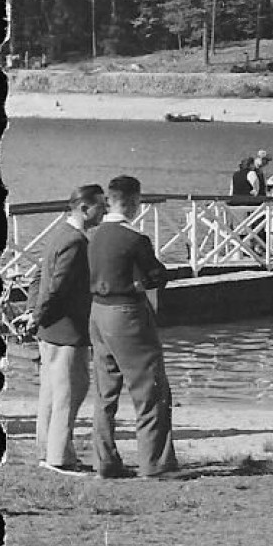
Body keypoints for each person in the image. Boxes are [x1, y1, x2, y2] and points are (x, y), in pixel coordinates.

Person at [12, 184, 107, 474]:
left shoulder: (58, 234)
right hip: (67, 331)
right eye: (100, 207)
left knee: (51, 395)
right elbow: (58, 288)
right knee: (71, 392)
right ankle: (59, 458)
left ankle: (47, 451)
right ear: (84, 208)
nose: (104, 212)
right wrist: (36, 316)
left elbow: (39, 278)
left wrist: (32, 312)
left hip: (50, 329)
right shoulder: (77, 241)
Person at [88, 175, 177, 479]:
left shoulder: (94, 234)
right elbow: (156, 276)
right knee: (150, 388)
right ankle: (155, 463)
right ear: (134, 201)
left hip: (98, 312)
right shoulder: (135, 239)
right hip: (127, 312)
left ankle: (105, 461)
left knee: (105, 391)